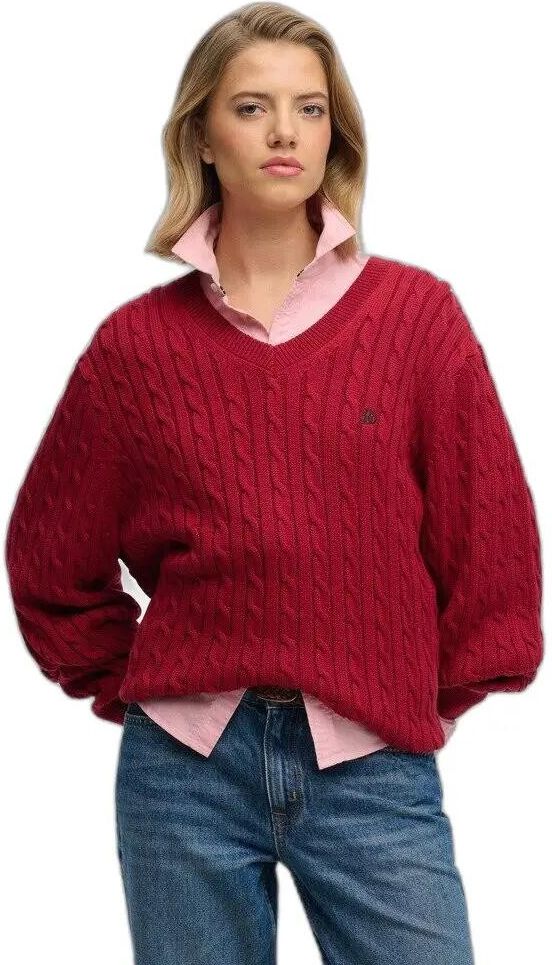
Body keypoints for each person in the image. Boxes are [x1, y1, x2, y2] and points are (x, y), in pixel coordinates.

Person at [5, 3, 544, 963]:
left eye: (310, 108)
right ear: (202, 137)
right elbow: (50, 556)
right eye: (252, 107)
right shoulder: (136, 348)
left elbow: (491, 543)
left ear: (336, 135)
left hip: (372, 762)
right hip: (186, 771)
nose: (285, 131)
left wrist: (412, 695)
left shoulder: (417, 319)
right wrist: (140, 688)